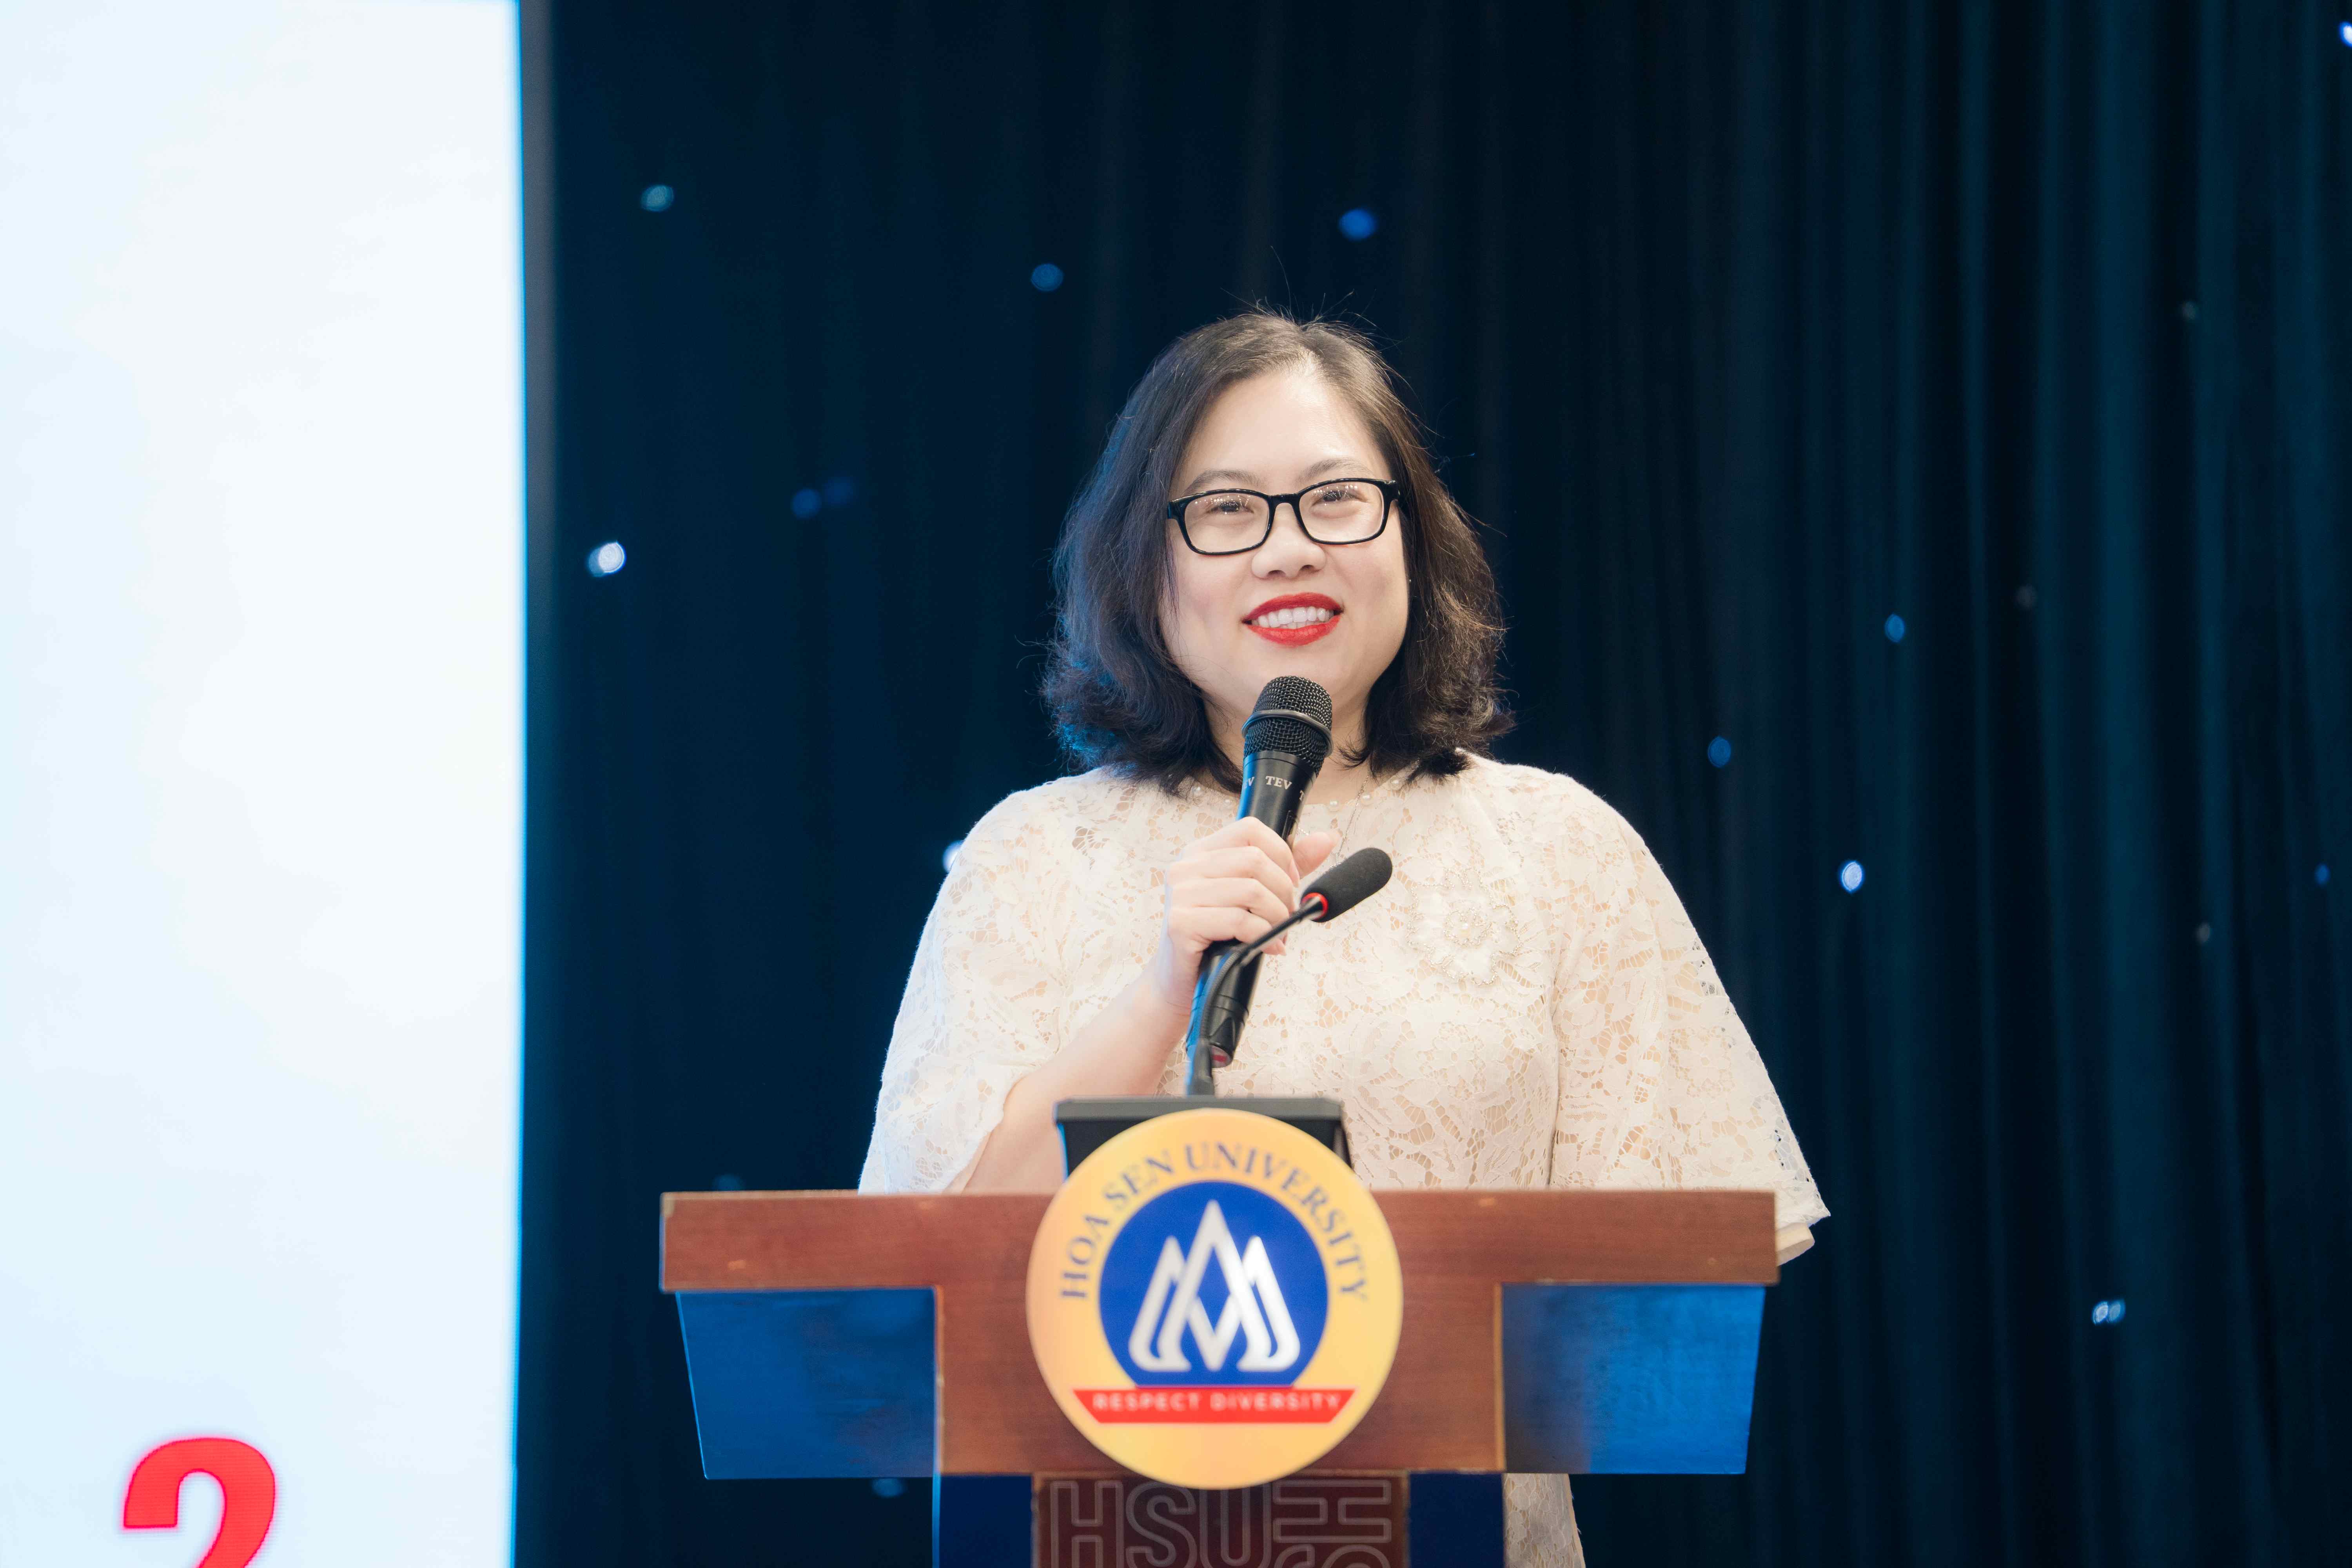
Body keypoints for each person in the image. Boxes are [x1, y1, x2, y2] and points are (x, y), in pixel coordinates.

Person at [860, 310, 1826, 1566]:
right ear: (1144, 562)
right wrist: (1159, 995)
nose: (1288, 549)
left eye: (1336, 500)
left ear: (1411, 535)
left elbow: (1679, 1290)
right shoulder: (1027, 856)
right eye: (1226, 510)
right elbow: (918, 1286)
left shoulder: (1560, 847)